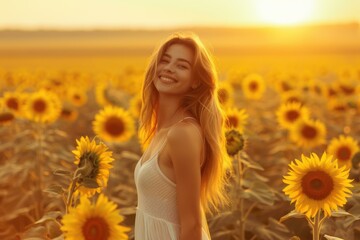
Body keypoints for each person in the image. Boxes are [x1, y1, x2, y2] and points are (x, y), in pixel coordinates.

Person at [134, 32, 231, 240]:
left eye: (182, 65)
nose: (169, 68)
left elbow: (193, 225)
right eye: (165, 60)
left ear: (196, 81)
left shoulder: (182, 134)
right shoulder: (160, 132)